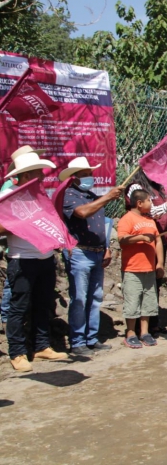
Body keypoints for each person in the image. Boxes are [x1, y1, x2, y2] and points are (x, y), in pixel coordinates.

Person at [0, 150, 68, 372]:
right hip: (22, 259)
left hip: (45, 257)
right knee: (19, 307)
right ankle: (17, 352)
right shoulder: (8, 194)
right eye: (38, 171)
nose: (41, 175)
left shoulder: (40, 193)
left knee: (42, 304)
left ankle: (41, 346)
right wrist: (20, 221)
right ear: (27, 174)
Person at [59, 157, 123, 356]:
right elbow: (82, 213)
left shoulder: (91, 195)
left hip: (96, 252)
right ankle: (78, 341)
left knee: (95, 297)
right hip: (80, 252)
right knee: (79, 298)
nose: (90, 177)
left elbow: (102, 224)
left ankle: (91, 338)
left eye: (90, 173)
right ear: (74, 177)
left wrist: (106, 247)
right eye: (85, 174)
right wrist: (107, 198)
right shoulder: (69, 196)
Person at [125, 171, 167, 335]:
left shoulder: (159, 188)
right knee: (142, 284)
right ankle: (136, 326)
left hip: (159, 240)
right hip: (143, 242)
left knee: (155, 282)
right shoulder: (136, 187)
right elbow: (148, 212)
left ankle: (152, 323)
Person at [117, 189, 164, 348]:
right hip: (132, 269)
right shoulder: (127, 219)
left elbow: (158, 241)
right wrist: (141, 238)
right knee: (132, 301)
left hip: (149, 269)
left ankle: (145, 332)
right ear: (139, 203)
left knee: (148, 301)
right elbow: (122, 239)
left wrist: (160, 263)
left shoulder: (150, 221)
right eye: (149, 201)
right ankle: (130, 332)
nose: (152, 204)